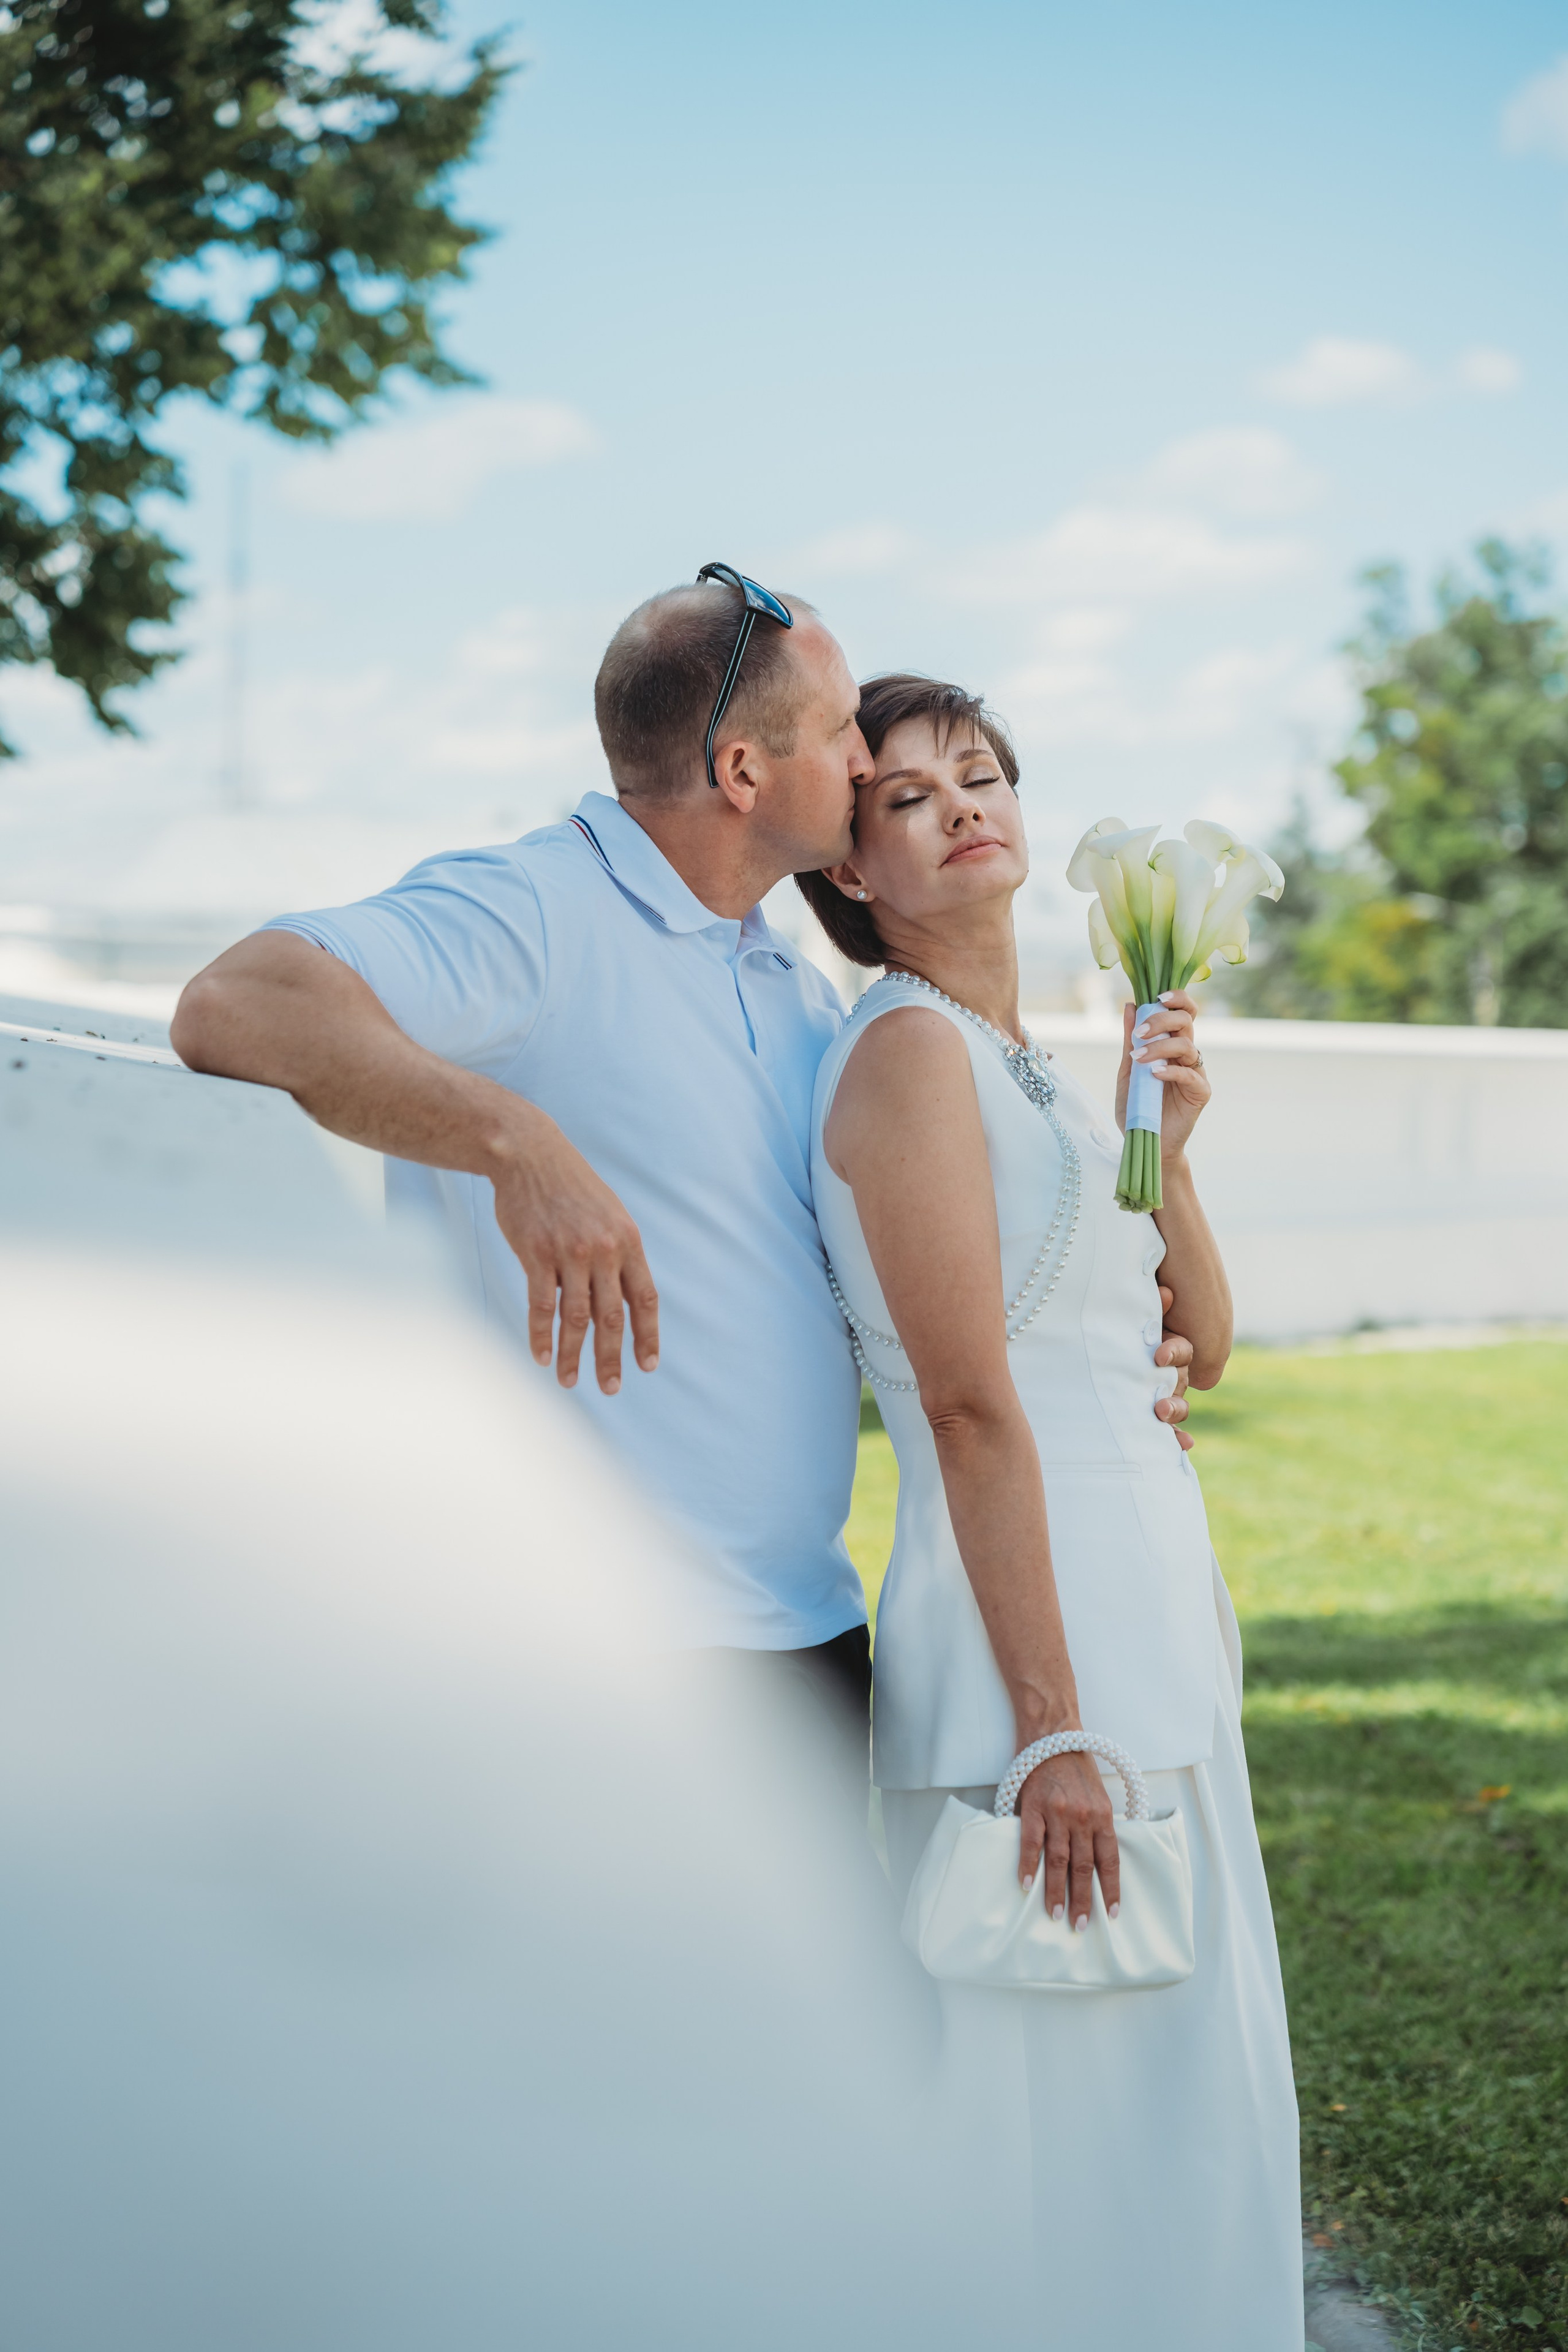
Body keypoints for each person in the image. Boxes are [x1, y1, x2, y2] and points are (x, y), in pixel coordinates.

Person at [170, 570, 1198, 1780]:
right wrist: (515, 1143)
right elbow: (236, 1005)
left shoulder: (799, 995)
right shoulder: (535, 906)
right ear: (743, 774)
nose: (864, 764)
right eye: (838, 737)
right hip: (595, 1647)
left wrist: (1094, 1363)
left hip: (799, 1632)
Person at [797, 673, 1302, 2350]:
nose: (966, 806)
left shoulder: (1030, 1069)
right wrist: (1047, 1729)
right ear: (853, 869)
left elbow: (1199, 1346)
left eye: (987, 775)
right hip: (1044, 1642)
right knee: (1056, 2135)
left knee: (1178, 2106)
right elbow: (963, 1406)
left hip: (1150, 1605)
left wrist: (1171, 1138)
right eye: (913, 796)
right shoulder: (906, 1053)